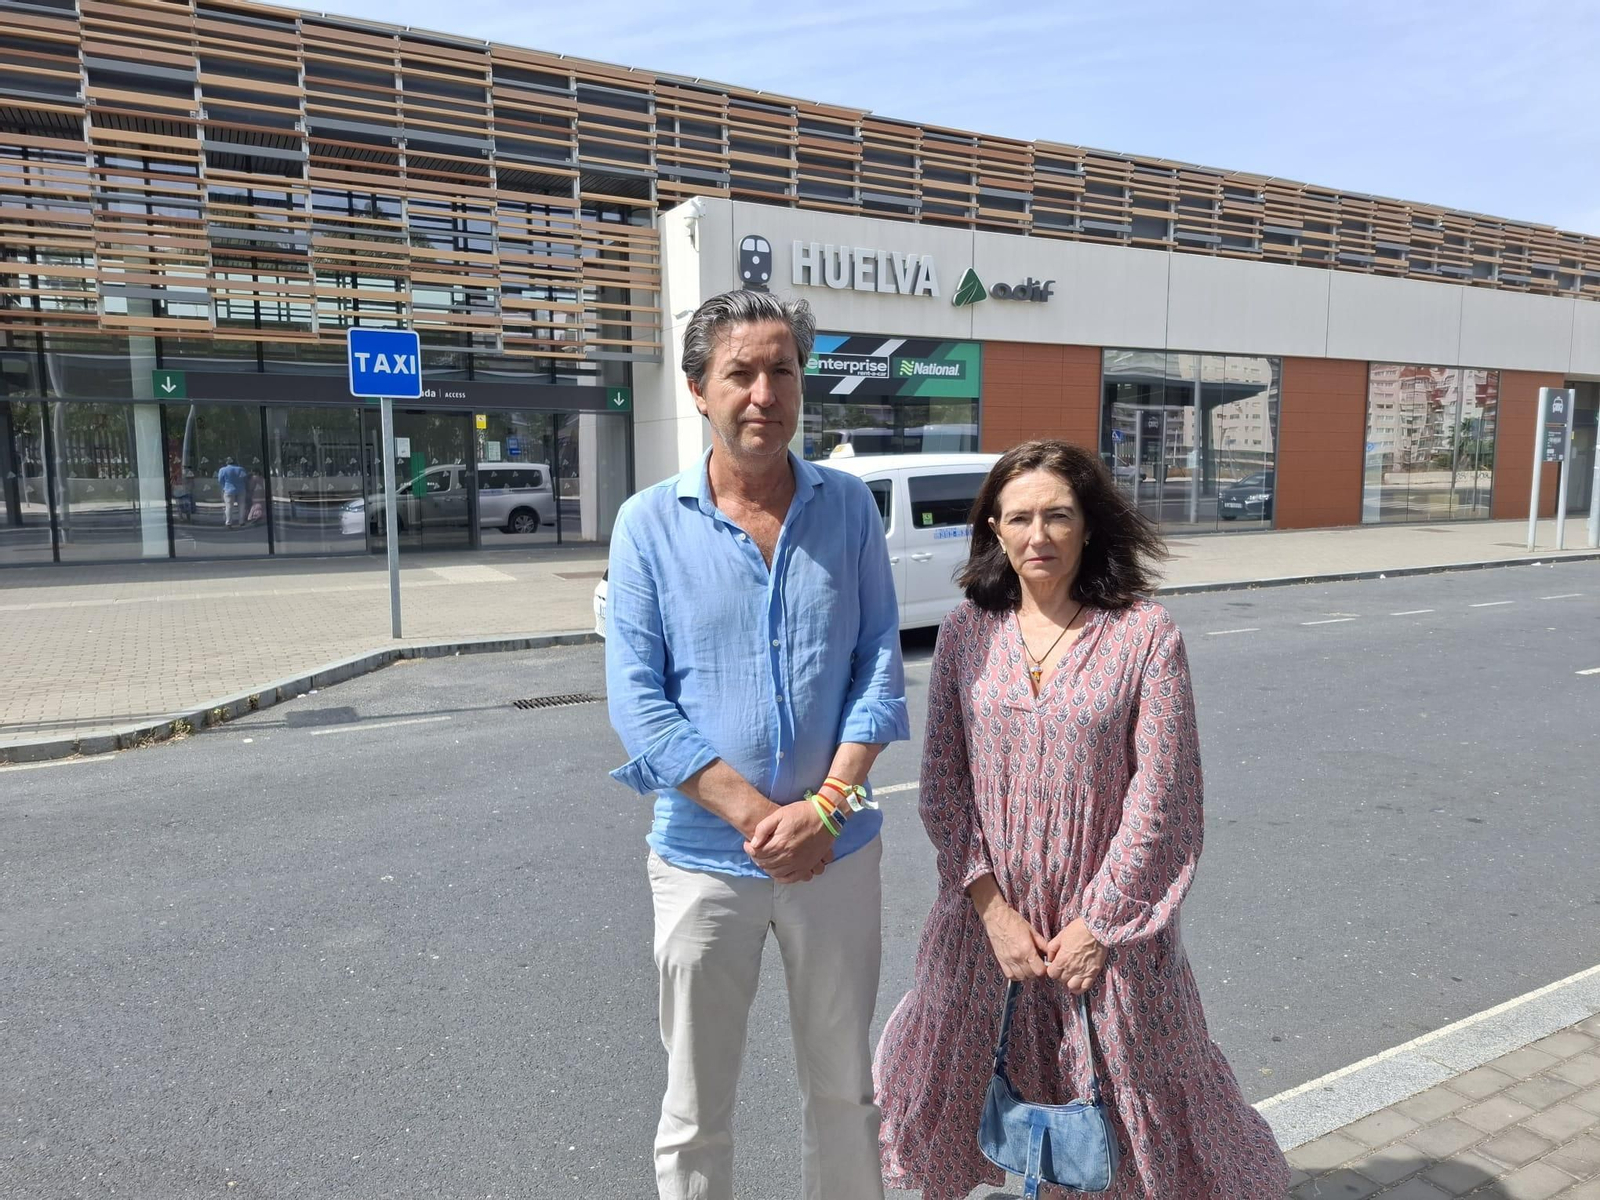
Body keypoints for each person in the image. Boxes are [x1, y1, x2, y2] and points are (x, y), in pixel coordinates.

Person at [874, 440, 1289, 1199]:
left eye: (1058, 516)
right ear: (994, 530)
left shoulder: (1143, 634)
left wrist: (1100, 926)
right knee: (991, 1109)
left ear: (1089, 526)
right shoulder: (969, 631)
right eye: (1021, 518)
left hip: (1108, 942)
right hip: (989, 935)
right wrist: (992, 910)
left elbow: (1165, 798)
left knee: (1129, 1128)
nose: (1040, 536)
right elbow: (942, 784)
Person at [606, 289, 909, 1200]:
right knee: (697, 1112)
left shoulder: (849, 508)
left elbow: (877, 668)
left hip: (838, 855)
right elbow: (638, 703)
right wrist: (763, 817)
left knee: (846, 1091)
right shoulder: (647, 524)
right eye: (740, 372)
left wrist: (825, 809)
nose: (764, 393)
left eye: (782, 371)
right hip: (704, 863)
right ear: (699, 389)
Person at [216, 456, 247, 527]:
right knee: (241, 505)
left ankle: (228, 522)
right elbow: (245, 479)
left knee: (229, 507)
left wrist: (224, 487)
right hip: (241, 489)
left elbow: (220, 480)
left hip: (228, 489)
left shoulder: (222, 470)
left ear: (226, 462)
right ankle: (241, 522)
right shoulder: (241, 469)